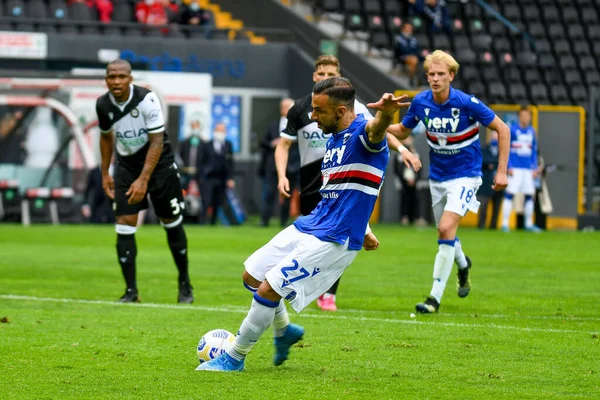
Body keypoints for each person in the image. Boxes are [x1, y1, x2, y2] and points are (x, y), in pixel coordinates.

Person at [196, 77, 410, 372]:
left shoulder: (363, 135)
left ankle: (234, 357)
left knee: (269, 290)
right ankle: (284, 332)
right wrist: (369, 229)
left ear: (339, 111)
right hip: (313, 222)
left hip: (335, 237)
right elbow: (346, 192)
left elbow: (376, 130)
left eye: (318, 110)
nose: (311, 116)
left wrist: (386, 114)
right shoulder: (334, 139)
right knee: (252, 277)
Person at [275, 54, 422, 312]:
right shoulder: (301, 109)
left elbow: (378, 131)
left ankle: (328, 293)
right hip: (312, 180)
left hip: (344, 180)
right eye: (321, 75)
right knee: (307, 238)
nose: (325, 79)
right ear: (314, 76)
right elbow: (284, 145)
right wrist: (281, 175)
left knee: (335, 237)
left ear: (339, 76)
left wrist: (403, 149)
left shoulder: (356, 109)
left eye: (330, 75)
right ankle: (297, 284)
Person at [387, 50, 509, 313]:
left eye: (440, 74)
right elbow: (402, 131)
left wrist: (501, 171)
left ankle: (434, 298)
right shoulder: (420, 102)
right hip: (438, 178)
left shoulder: (467, 103)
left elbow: (503, 129)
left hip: (466, 176)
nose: (434, 78)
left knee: (444, 230)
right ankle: (463, 264)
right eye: (431, 74)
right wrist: (377, 120)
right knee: (446, 233)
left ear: (451, 75)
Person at [96, 59, 193, 304]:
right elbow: (106, 138)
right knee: (124, 224)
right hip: (127, 165)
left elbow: (157, 141)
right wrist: (105, 172)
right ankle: (131, 292)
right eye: (111, 77)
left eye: (121, 77)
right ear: (106, 80)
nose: (116, 81)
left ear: (130, 79)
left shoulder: (147, 100)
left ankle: (185, 285)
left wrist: (143, 180)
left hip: (159, 164)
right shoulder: (103, 104)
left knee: (170, 222)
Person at [500, 107, 542, 232]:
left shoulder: (532, 131)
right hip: (515, 168)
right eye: (523, 115)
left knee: (529, 195)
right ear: (519, 116)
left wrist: (534, 167)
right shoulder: (512, 130)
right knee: (509, 194)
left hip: (528, 169)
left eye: (527, 116)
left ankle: (528, 224)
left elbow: (534, 150)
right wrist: (509, 166)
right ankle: (505, 223)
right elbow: (506, 148)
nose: (525, 118)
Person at [259, 98, 296, 227]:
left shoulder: (298, 126)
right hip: (273, 166)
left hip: (291, 166)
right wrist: (273, 144)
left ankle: (284, 221)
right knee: (269, 193)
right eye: (285, 107)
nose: (287, 110)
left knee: (287, 194)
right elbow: (263, 142)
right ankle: (264, 220)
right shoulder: (272, 125)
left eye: (290, 107)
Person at [198, 122, 235, 225]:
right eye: (218, 130)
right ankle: (202, 222)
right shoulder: (206, 145)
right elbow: (200, 162)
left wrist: (230, 178)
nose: (220, 133)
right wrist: (201, 177)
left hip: (221, 178)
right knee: (206, 201)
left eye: (222, 131)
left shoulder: (228, 145)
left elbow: (231, 163)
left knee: (217, 202)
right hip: (208, 178)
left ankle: (213, 223)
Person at [477, 130, 503, 229]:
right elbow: (481, 160)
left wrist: (493, 164)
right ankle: (481, 225)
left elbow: (501, 162)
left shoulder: (502, 150)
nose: (494, 139)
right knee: (483, 205)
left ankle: (494, 226)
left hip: (498, 182)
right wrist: (490, 164)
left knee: (497, 206)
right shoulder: (484, 149)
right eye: (493, 137)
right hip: (486, 182)